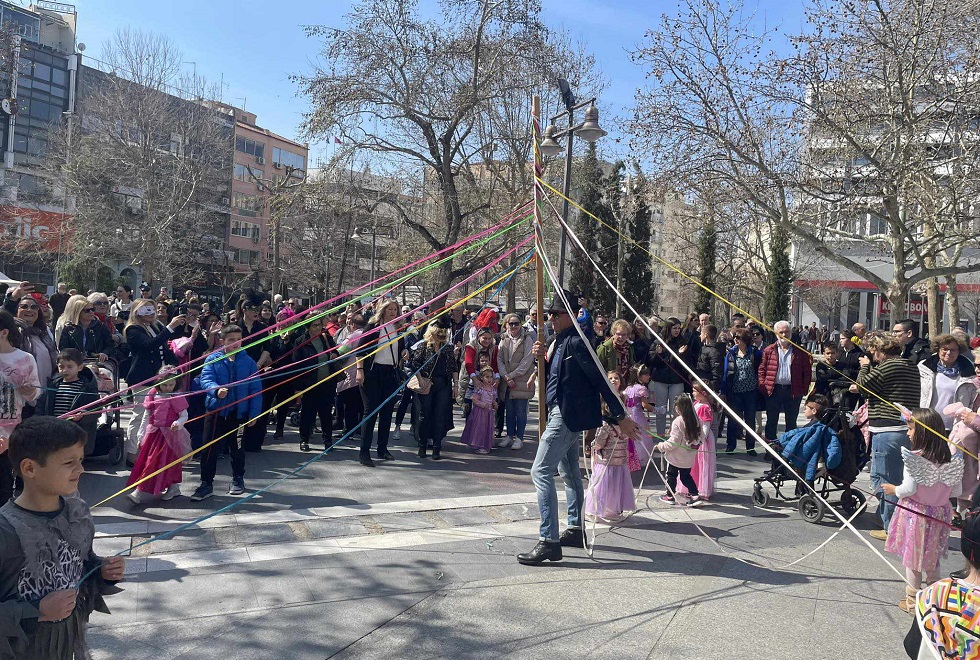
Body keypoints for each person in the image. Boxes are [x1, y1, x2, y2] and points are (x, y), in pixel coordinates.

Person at [517, 289, 637, 566]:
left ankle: (549, 541)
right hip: (562, 410)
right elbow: (558, 377)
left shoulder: (578, 342)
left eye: (556, 314)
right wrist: (542, 358)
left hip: (567, 415)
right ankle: (574, 527)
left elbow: (598, 380)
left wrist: (620, 415)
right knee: (569, 471)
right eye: (549, 314)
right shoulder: (559, 341)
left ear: (570, 316)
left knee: (540, 470)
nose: (550, 318)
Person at [0, 417, 125, 658]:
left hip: (69, 647)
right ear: (30, 468)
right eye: (69, 462)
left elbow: (79, 568)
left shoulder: (76, 514)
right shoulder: (6, 530)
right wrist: (38, 610)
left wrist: (101, 572)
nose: (80, 469)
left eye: (80, 460)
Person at [881, 408, 963, 612]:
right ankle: (934, 599)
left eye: (910, 429)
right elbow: (958, 490)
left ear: (923, 433)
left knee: (913, 559)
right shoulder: (951, 460)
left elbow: (908, 489)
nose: (908, 433)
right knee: (931, 556)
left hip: (915, 514)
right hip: (938, 514)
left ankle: (912, 599)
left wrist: (893, 489)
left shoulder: (915, 459)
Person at [858, 331, 922, 540]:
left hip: (887, 430)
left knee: (886, 479)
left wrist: (865, 366)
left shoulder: (887, 366)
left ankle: (891, 528)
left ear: (880, 351)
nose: (873, 356)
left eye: (873, 352)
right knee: (890, 477)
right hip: (905, 429)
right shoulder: (910, 365)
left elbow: (863, 386)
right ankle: (885, 516)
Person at [190, 325, 262, 501]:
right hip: (215, 411)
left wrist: (254, 414)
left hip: (238, 414)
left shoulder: (248, 362)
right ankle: (206, 483)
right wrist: (216, 390)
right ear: (222, 342)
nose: (235, 343)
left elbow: (256, 389)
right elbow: (205, 379)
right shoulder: (212, 360)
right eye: (231, 340)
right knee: (209, 448)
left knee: (237, 448)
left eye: (238, 339)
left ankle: (238, 478)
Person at [123, 299, 182, 465]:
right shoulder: (133, 329)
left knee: (156, 415)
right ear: (136, 311)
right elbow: (149, 345)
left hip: (161, 377)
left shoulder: (155, 326)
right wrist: (170, 327)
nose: (151, 313)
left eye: (152, 309)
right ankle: (132, 452)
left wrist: (175, 367)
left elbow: (163, 348)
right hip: (143, 377)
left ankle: (148, 449)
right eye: (146, 310)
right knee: (140, 414)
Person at [126, 367, 191, 503]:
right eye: (165, 385)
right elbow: (147, 415)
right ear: (158, 382)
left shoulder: (176, 396)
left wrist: (178, 423)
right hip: (154, 435)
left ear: (176, 383)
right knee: (149, 462)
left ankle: (165, 488)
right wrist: (141, 435)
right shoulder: (152, 394)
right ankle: (143, 490)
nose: (168, 388)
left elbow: (184, 415)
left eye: (171, 385)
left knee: (167, 463)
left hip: (169, 436)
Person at [358, 300, 406, 466]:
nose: (393, 312)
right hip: (372, 372)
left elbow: (400, 348)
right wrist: (360, 371)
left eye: (395, 309)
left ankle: (382, 449)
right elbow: (360, 350)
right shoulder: (373, 327)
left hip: (390, 373)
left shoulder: (398, 328)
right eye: (390, 309)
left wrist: (404, 352)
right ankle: (364, 452)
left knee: (387, 413)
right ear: (383, 310)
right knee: (370, 412)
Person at [584, 372, 636, 522]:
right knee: (615, 488)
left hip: (605, 461)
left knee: (600, 486)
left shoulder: (606, 425)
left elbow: (600, 442)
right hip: (620, 461)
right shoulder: (627, 425)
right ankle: (611, 511)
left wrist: (594, 446)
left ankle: (593, 511)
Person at [758, 320, 813, 451]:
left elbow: (807, 372)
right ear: (776, 333)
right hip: (773, 390)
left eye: (786, 332)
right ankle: (771, 450)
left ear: (791, 333)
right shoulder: (769, 350)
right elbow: (762, 370)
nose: (783, 334)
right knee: (771, 422)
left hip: (793, 391)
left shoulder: (800, 351)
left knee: (791, 423)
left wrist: (804, 390)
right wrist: (763, 386)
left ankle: (789, 450)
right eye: (780, 332)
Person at [3, 285, 56, 418]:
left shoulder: (44, 333)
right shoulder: (12, 332)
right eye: (24, 306)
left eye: (34, 307)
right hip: (16, 397)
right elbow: (3, 314)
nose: (29, 310)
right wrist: (14, 297)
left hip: (42, 395)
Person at [408, 324, 458, 460]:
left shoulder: (447, 348)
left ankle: (437, 447)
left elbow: (454, 366)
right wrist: (420, 379)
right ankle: (422, 445)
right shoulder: (423, 346)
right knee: (424, 415)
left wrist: (456, 385)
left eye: (443, 333)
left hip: (443, 385)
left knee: (440, 415)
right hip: (426, 384)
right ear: (432, 332)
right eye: (438, 332)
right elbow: (415, 364)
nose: (441, 335)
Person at [292, 315, 338, 452]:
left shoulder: (326, 338)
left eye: (319, 324)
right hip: (309, 384)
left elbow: (334, 350)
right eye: (314, 325)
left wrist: (334, 354)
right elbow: (296, 366)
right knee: (307, 413)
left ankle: (328, 441)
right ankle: (304, 440)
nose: (318, 328)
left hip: (326, 383)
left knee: (326, 414)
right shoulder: (300, 341)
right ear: (308, 327)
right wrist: (298, 388)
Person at [771, 394, 842, 483]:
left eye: (806, 408)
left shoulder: (811, 429)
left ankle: (778, 472)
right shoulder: (822, 428)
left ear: (814, 411)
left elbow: (794, 441)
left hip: (801, 462)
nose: (804, 410)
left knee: (776, 447)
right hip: (811, 459)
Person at [45, 349, 99, 455]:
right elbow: (43, 406)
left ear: (80, 367)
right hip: (55, 430)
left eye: (70, 367)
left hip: (75, 432)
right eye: (61, 367)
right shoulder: (53, 385)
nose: (65, 370)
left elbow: (96, 409)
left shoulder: (86, 387)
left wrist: (83, 414)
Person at [918, 333, 977, 431]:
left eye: (953, 350)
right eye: (945, 349)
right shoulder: (924, 368)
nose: (949, 353)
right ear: (938, 350)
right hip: (928, 424)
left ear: (959, 351)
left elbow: (973, 401)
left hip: (956, 427)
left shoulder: (969, 372)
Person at [656, 394, 705, 506]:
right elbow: (701, 437)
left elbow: (673, 443)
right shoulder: (697, 420)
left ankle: (670, 496)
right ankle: (695, 495)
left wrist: (661, 446)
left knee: (671, 476)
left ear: (678, 407)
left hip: (676, 457)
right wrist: (695, 445)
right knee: (686, 476)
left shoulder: (678, 421)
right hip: (688, 458)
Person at [497, 313, 534, 450]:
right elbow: (499, 359)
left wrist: (512, 375)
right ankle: (509, 435)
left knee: (520, 411)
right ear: (506, 325)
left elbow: (527, 361)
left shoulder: (527, 339)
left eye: (516, 323)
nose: (513, 326)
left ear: (520, 324)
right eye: (510, 323)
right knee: (509, 411)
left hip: (521, 381)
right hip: (507, 381)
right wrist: (505, 376)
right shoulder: (503, 339)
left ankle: (519, 438)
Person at [722, 329, 762, 453]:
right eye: (735, 338)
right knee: (734, 419)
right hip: (735, 391)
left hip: (751, 392)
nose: (735, 340)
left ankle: (750, 447)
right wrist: (723, 391)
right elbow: (725, 373)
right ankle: (730, 445)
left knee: (750, 419)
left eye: (738, 338)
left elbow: (760, 371)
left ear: (744, 340)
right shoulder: (731, 353)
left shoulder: (755, 353)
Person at [677, 383, 717, 500]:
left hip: (701, 440)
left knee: (701, 464)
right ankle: (691, 487)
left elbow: (705, 426)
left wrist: (699, 440)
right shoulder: (696, 404)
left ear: (703, 393)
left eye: (695, 391)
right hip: (694, 437)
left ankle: (701, 488)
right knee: (693, 464)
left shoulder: (705, 407)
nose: (693, 392)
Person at [650, 317, 687, 438]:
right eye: (674, 328)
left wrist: (680, 355)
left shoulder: (682, 342)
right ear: (668, 328)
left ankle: (674, 435)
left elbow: (684, 363)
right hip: (661, 380)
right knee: (661, 409)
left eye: (678, 328)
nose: (677, 331)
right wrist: (658, 354)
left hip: (676, 380)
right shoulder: (658, 341)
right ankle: (660, 434)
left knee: (675, 410)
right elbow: (651, 362)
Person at [335, 314, 367, 438]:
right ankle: (359, 429)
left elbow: (341, 353)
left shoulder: (352, 337)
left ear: (352, 324)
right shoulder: (369, 334)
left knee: (349, 405)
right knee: (360, 404)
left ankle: (348, 430)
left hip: (350, 375)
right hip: (364, 375)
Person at [56, 296, 113, 362]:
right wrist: (76, 355)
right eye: (87, 310)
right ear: (78, 312)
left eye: (93, 309)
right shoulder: (68, 328)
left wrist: (105, 353)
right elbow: (63, 348)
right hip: (75, 362)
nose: (91, 312)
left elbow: (110, 345)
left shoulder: (101, 326)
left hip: (98, 362)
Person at [460, 366, 496, 454]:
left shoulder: (493, 389)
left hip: (489, 413)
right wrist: (483, 405)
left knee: (487, 428)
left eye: (491, 377)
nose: (489, 379)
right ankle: (478, 445)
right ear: (482, 378)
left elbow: (493, 399)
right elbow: (474, 399)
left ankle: (485, 444)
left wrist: (494, 404)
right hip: (480, 413)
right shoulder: (480, 389)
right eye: (487, 377)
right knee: (480, 428)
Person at [623, 364, 655, 462]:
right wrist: (657, 410)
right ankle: (641, 459)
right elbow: (645, 405)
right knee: (641, 437)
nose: (649, 377)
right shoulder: (642, 388)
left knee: (631, 437)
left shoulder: (628, 388)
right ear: (639, 376)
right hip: (638, 416)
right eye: (646, 374)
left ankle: (632, 459)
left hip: (629, 415)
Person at [694, 324, 723, 392]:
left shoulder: (714, 351)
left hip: (708, 388)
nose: (700, 336)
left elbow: (716, 373)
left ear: (706, 335)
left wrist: (712, 388)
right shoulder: (702, 348)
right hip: (700, 384)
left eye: (701, 333)